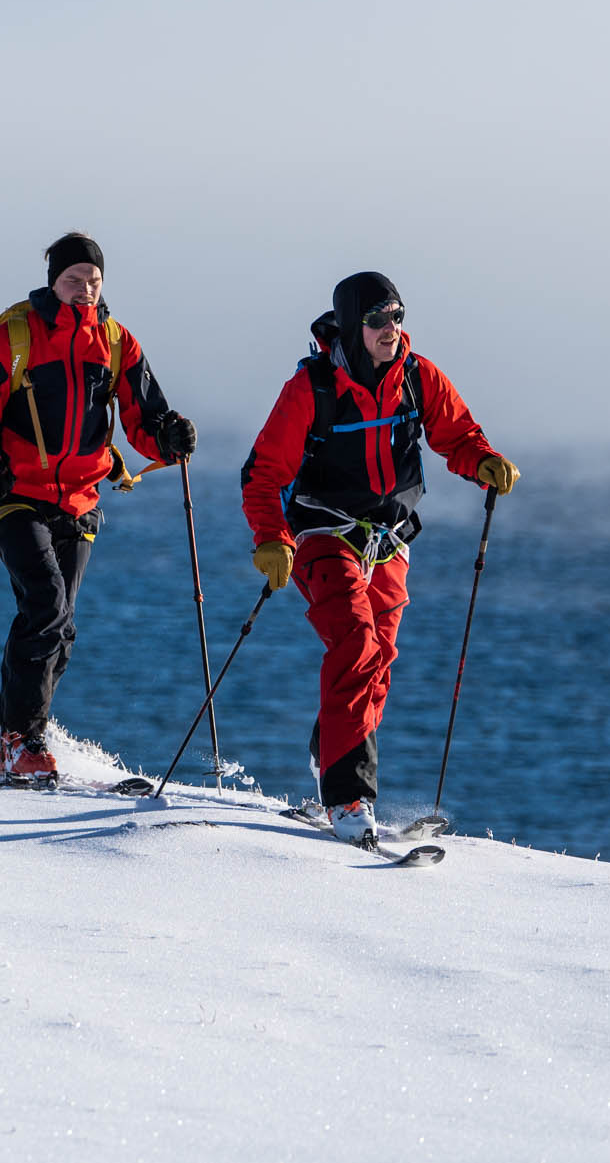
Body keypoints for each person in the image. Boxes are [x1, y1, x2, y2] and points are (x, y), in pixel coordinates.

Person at [240, 271, 516, 847]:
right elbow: (263, 474)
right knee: (356, 647)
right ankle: (348, 798)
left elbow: (457, 435)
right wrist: (272, 539)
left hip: (388, 539)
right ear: (351, 325)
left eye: (397, 315)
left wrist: (483, 461)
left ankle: (329, 752)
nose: (391, 328)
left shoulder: (417, 376)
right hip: (323, 532)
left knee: (378, 662)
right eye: (376, 319)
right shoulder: (312, 388)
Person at [0, 232, 195, 783]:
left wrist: (170, 437)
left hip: (80, 499)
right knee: (46, 606)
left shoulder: (116, 342)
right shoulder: (14, 338)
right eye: (73, 280)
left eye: (93, 280)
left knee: (59, 629)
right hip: (14, 496)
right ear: (53, 282)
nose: (85, 290)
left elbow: (145, 419)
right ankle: (23, 741)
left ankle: (14, 734)